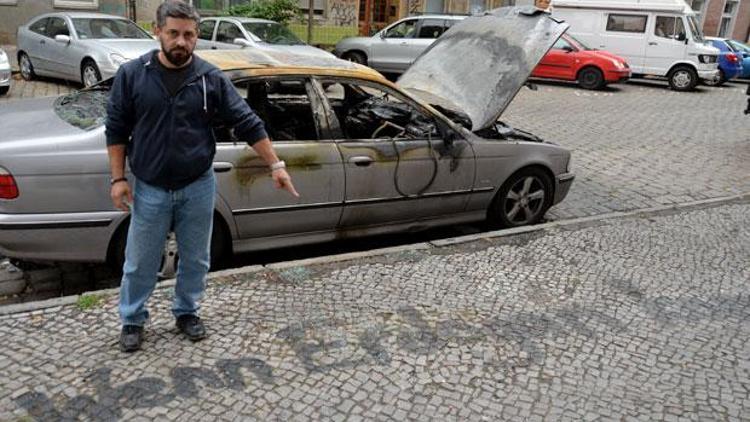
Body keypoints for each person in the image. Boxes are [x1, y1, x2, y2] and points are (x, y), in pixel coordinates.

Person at [106, 0, 298, 353]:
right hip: (150, 187)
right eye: (174, 33)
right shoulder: (133, 75)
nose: (182, 42)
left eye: (189, 35)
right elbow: (116, 129)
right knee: (140, 260)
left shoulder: (210, 78)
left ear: (197, 37)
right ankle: (132, 319)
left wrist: (276, 165)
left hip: (197, 184)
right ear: (158, 31)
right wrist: (118, 179)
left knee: (196, 258)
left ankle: (186, 311)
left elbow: (247, 121)